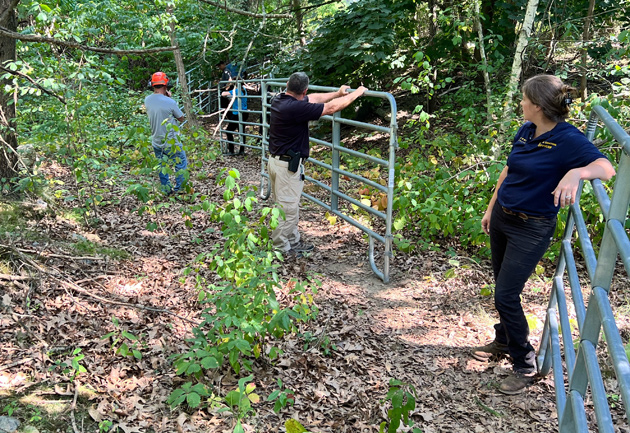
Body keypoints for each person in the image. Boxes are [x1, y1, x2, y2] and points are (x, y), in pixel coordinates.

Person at [472, 74, 615, 394]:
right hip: (503, 218)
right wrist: (491, 207)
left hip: (532, 226)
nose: (520, 103)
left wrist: (577, 172)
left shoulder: (567, 138)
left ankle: (524, 364)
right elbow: (509, 170)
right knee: (502, 288)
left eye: (524, 99)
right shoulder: (527, 130)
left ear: (536, 105)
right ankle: (505, 340)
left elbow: (607, 168)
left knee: (506, 295)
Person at [268, 72, 367, 257]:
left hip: (279, 163)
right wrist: (356, 93)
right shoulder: (295, 109)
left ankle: (292, 241)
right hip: (286, 166)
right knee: (286, 208)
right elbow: (329, 109)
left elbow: (313, 98)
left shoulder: (280, 100)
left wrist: (338, 93)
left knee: (288, 206)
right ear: (303, 90)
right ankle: (281, 249)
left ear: (288, 85)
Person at [144, 72, 188, 195]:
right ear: (166, 84)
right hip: (171, 141)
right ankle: (180, 189)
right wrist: (170, 99)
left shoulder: (147, 100)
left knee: (162, 165)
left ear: (152, 85)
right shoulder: (170, 102)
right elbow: (181, 118)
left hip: (156, 140)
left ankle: (166, 189)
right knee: (180, 163)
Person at [221, 84, 249, 155]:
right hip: (244, 113)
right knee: (241, 131)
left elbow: (223, 94)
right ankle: (241, 150)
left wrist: (227, 89)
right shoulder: (244, 90)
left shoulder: (236, 90)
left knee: (229, 131)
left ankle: (231, 150)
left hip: (237, 114)